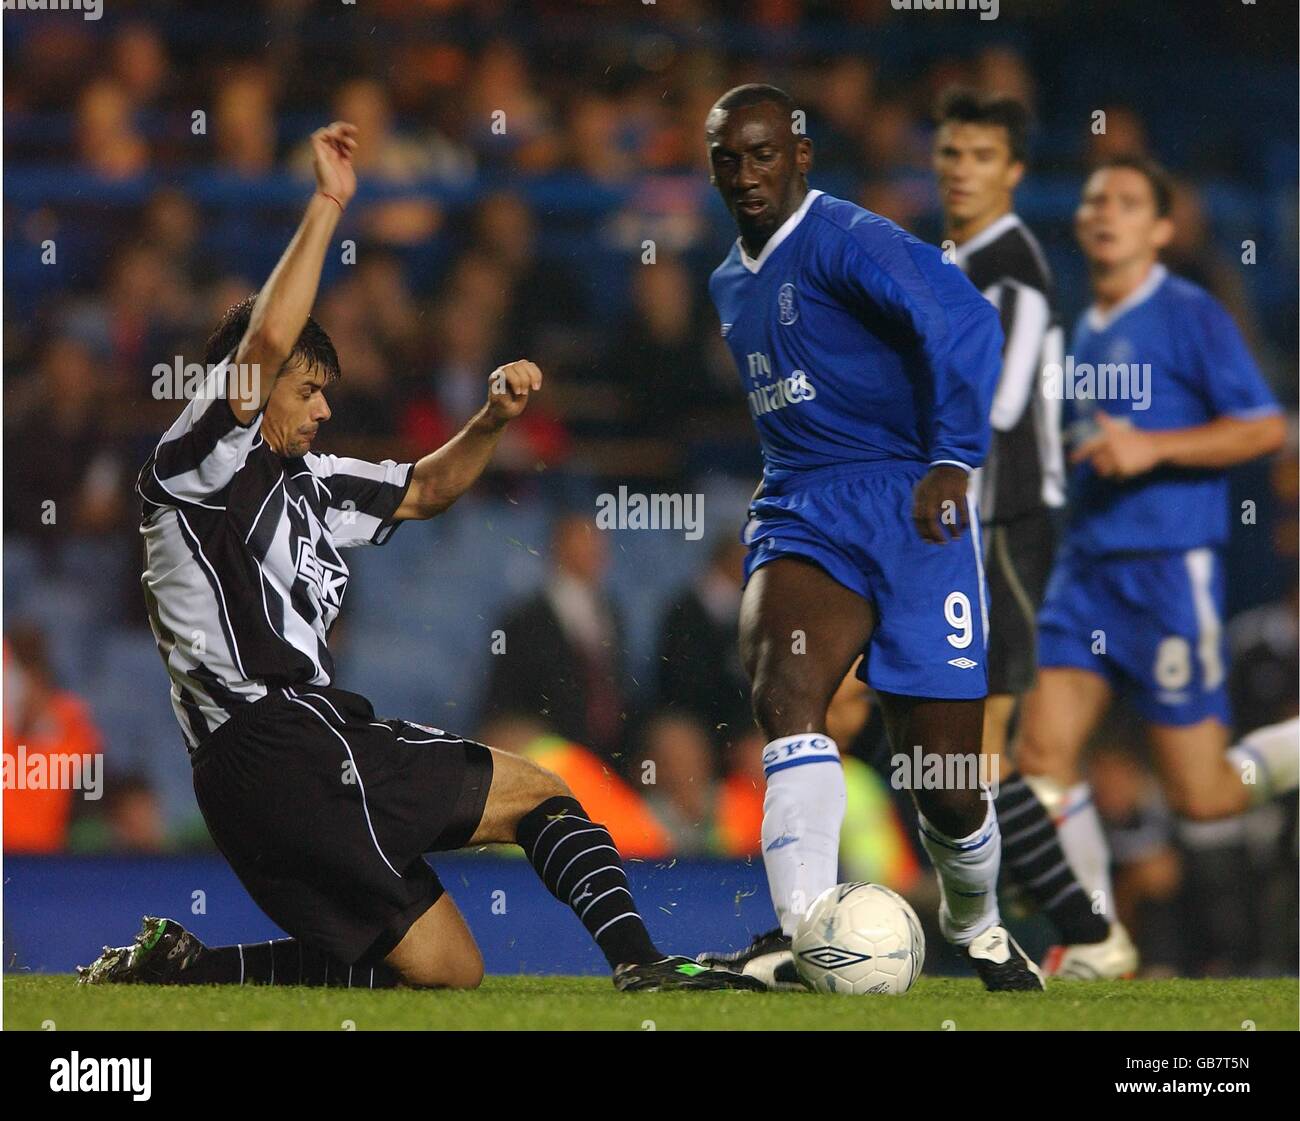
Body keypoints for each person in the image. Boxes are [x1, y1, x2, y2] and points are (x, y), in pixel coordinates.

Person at [77, 122, 759, 994]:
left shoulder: (313, 481)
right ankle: (643, 964)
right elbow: (257, 345)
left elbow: (429, 488)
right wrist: (329, 202)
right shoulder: (200, 460)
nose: (324, 410)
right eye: (309, 388)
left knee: (444, 968)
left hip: (247, 778)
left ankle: (184, 970)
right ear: (256, 386)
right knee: (543, 792)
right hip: (288, 736)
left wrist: (493, 420)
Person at [693, 85, 1042, 991]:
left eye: (763, 154)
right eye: (728, 158)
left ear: (800, 156)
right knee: (787, 692)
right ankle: (804, 935)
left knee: (948, 785)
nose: (746, 174)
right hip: (804, 512)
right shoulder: (728, 280)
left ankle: (981, 925)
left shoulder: (847, 237)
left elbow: (965, 319)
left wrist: (953, 459)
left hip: (914, 508)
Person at [1014, 156, 1295, 978]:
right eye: (1096, 198)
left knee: (1203, 795)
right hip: (1086, 569)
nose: (1106, 212)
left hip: (1168, 575)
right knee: (1043, 754)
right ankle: (1095, 940)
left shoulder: (1189, 313)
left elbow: (1263, 427)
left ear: (1162, 230)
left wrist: (1155, 447)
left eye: (1129, 203)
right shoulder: (1082, 322)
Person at [933, 88, 1133, 971]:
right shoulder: (945, 259)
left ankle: (1077, 932)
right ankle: (1067, 927)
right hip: (951, 521)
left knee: (980, 749)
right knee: (918, 733)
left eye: (980, 156)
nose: (961, 170)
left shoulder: (1011, 268)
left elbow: (998, 406)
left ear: (1013, 171)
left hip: (1003, 524)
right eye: (950, 153)